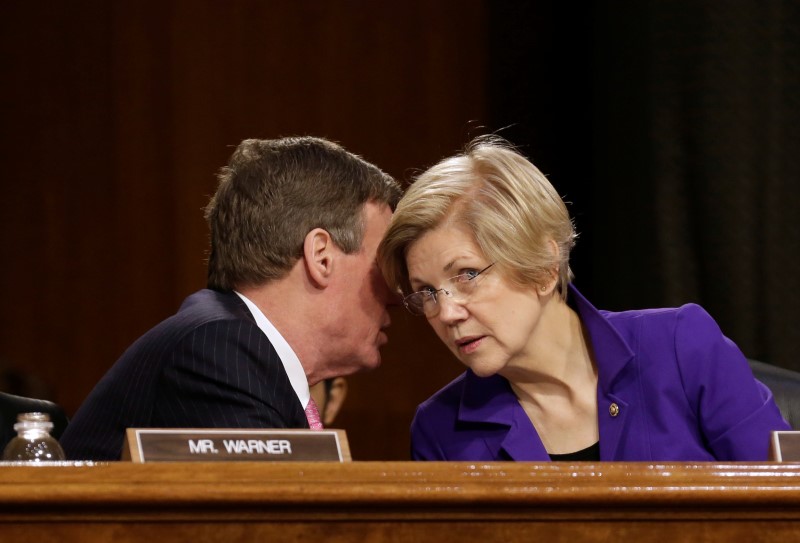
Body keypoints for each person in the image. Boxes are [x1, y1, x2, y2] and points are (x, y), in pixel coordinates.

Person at [378, 136, 790, 462]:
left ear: (542, 265)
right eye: (428, 292)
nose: (446, 313)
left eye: (467, 275)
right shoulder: (440, 430)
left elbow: (785, 508)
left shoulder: (682, 346)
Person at [61, 136, 402, 460]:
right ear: (321, 257)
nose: (398, 294)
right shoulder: (220, 349)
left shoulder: (232, 344)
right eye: (383, 264)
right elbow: (277, 518)